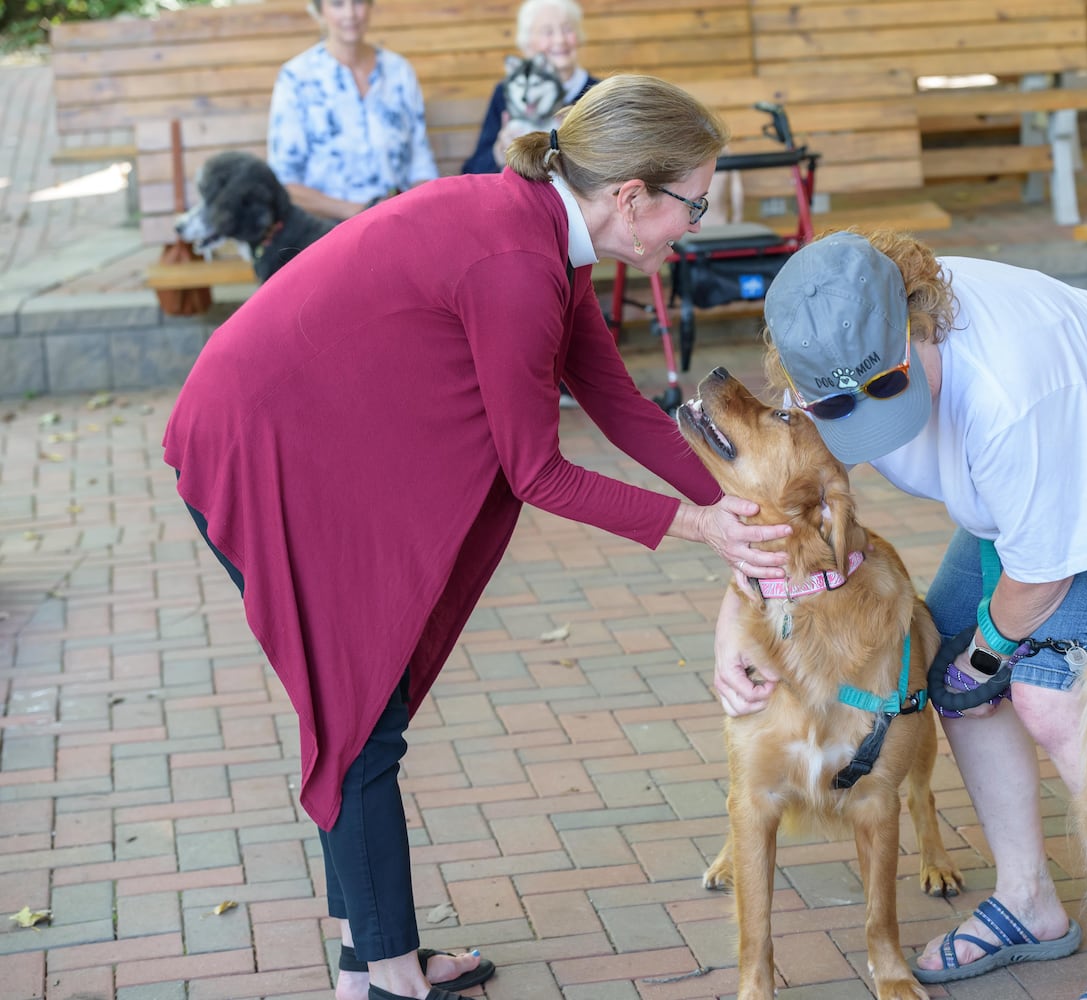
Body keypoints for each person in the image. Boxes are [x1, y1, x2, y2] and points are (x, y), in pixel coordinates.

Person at [165, 75, 790, 1000]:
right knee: (360, 714)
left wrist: (743, 505)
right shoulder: (518, 264)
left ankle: (370, 955)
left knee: (360, 714)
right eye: (691, 204)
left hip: (306, 433)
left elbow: (619, 405)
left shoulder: (549, 236)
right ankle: (384, 978)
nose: (692, 225)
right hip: (260, 443)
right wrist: (698, 525)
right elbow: (537, 471)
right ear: (632, 196)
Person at [711, 230, 1087, 1000]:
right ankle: (1029, 904)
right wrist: (734, 625)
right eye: (837, 403)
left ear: (919, 320)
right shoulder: (831, 362)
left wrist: (990, 651)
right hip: (1026, 485)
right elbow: (793, 514)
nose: (867, 418)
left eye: (888, 386)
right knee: (947, 671)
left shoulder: (1013, 390)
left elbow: (1043, 574)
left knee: (1048, 695)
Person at [267, 0, 439, 222]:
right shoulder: (296, 77)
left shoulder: (399, 71)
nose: (350, 14)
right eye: (337, 4)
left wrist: (414, 211)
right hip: (325, 229)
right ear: (320, 11)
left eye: (358, 2)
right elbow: (284, 182)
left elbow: (421, 165)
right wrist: (359, 211)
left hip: (399, 221)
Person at [462, 0, 600, 175]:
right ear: (527, 45)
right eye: (547, 32)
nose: (560, 39)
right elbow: (474, 169)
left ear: (579, 37)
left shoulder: (599, 93)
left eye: (567, 29)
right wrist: (499, 152)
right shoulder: (509, 93)